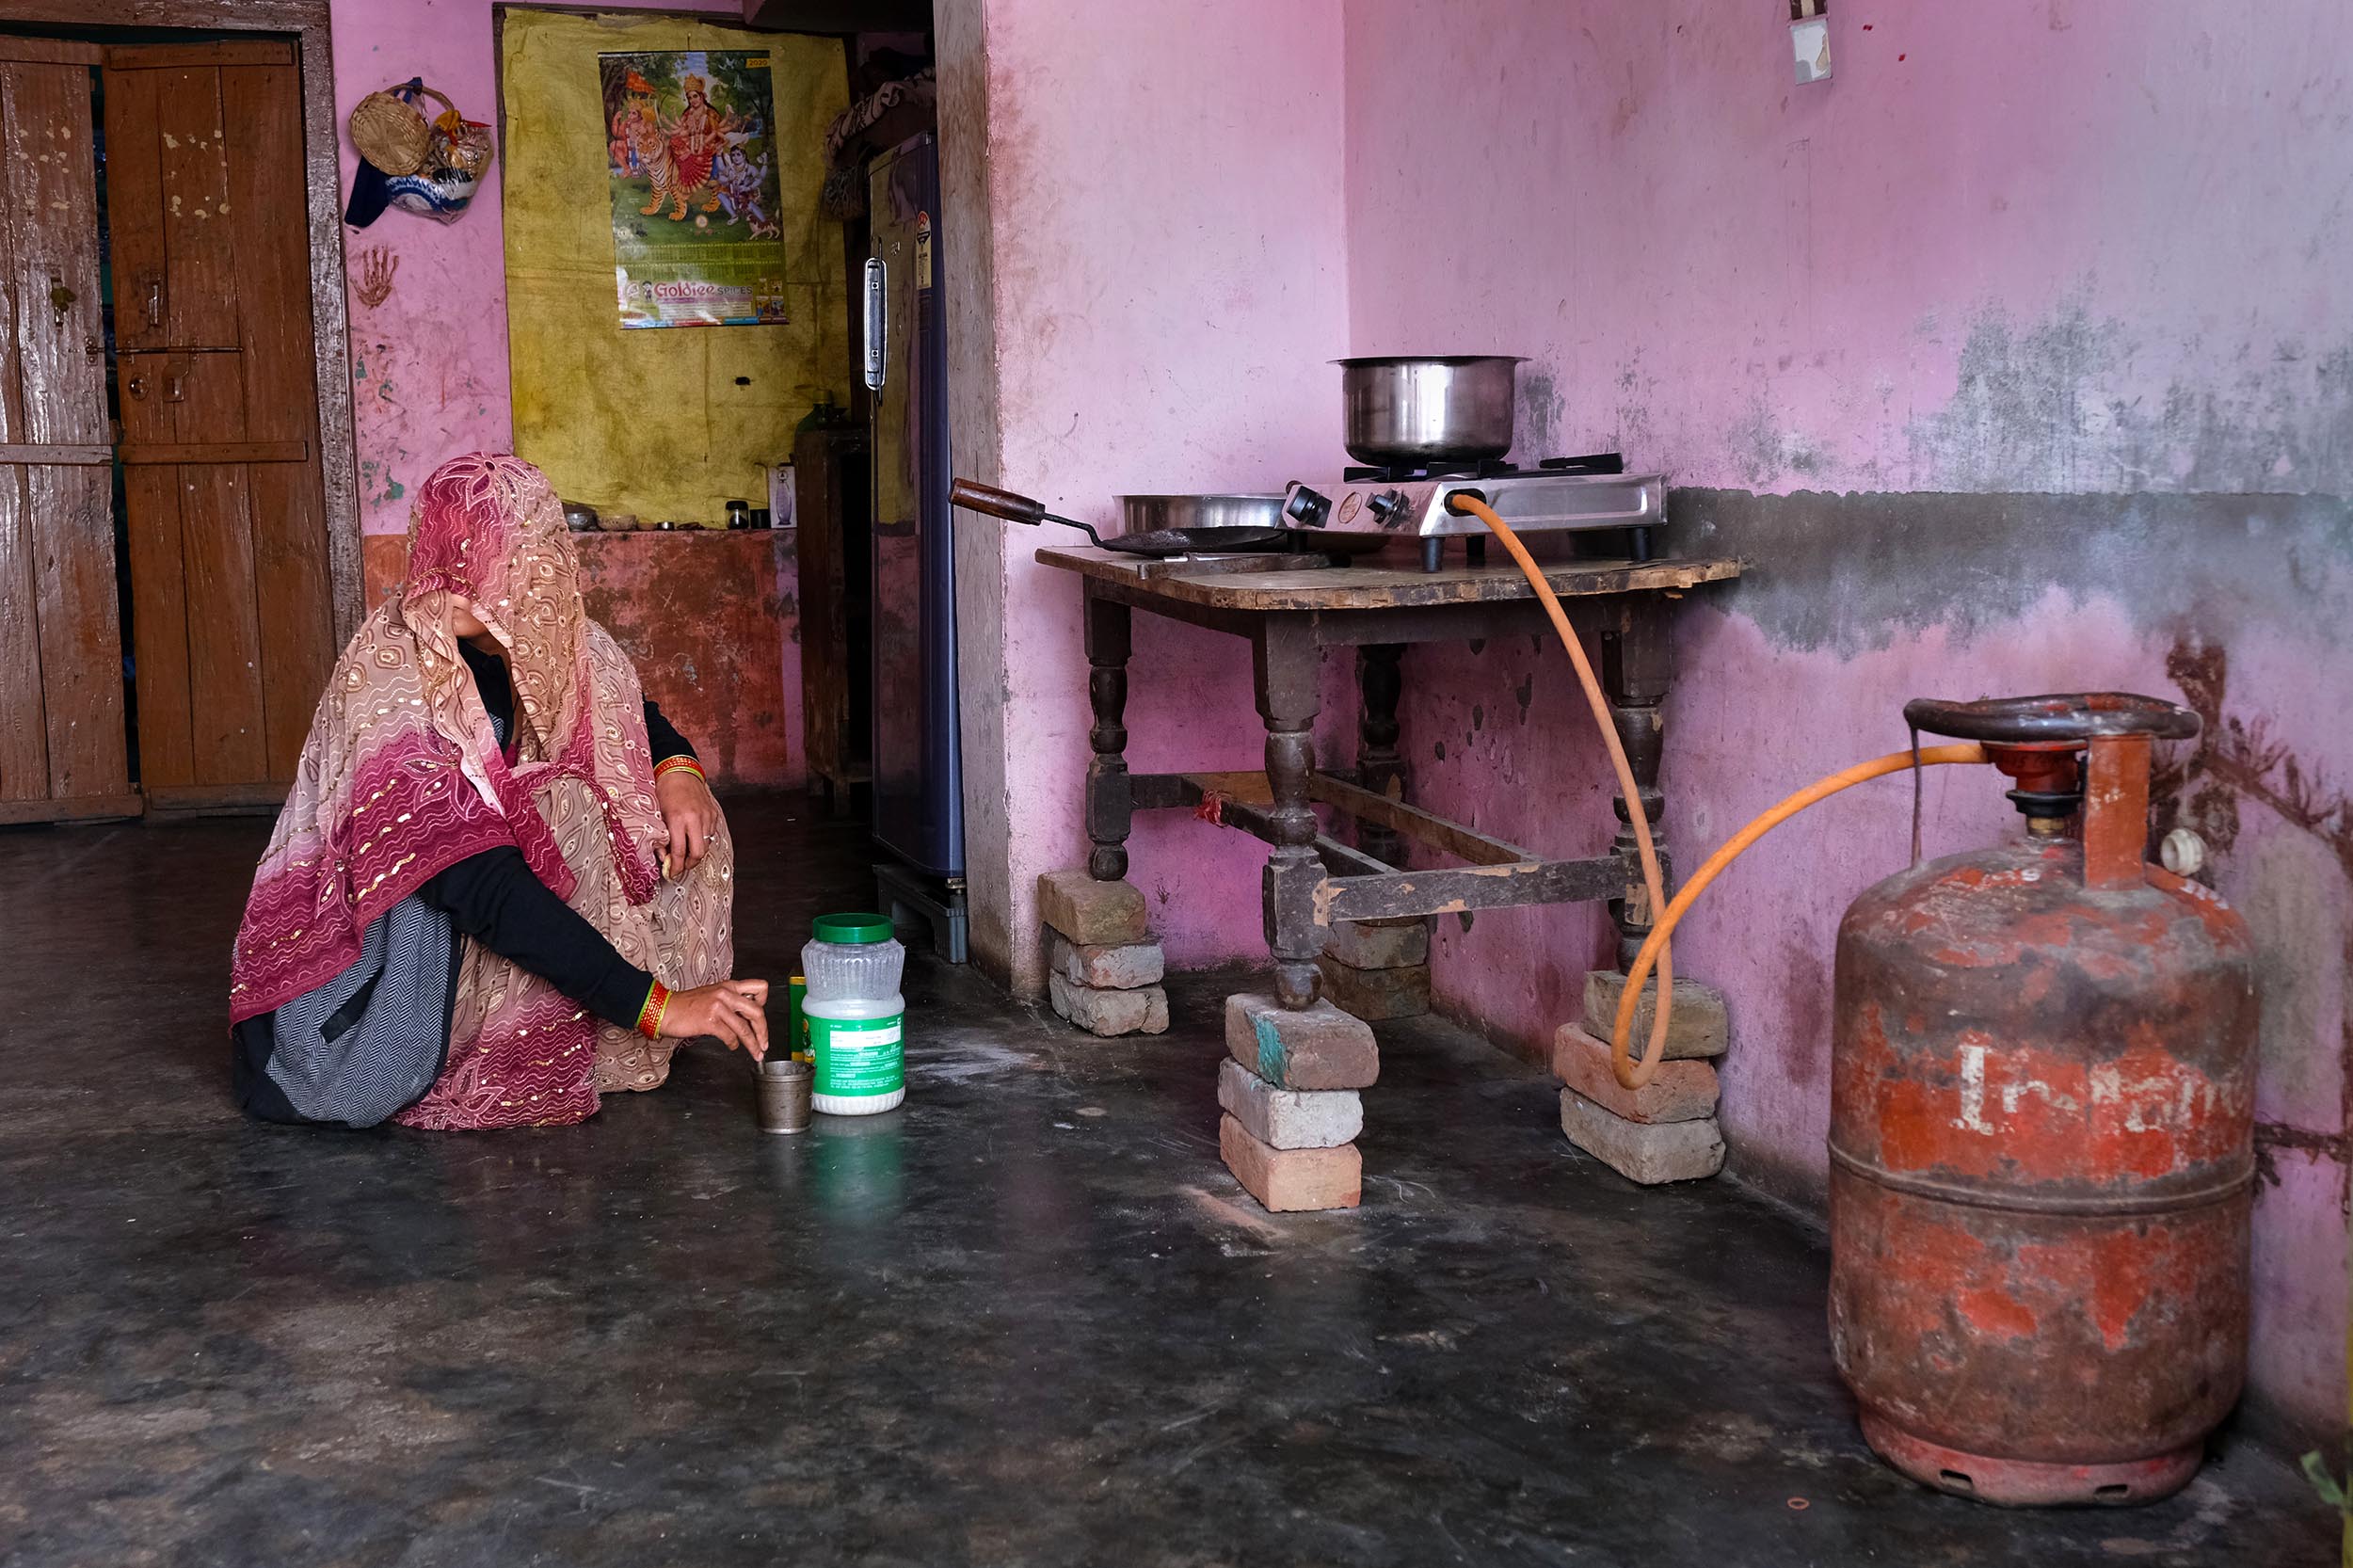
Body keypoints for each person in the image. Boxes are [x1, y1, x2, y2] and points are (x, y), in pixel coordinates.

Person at [228, 453, 769, 1130]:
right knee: (557, 808)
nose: (451, 575)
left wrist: (679, 772)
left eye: (478, 551)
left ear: (536, 565)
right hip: (354, 998)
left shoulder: (550, 639)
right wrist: (655, 1005)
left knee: (667, 807)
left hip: (480, 921)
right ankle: (531, 1035)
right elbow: (482, 885)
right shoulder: (394, 679)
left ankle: (579, 1026)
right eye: (444, 546)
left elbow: (629, 714)